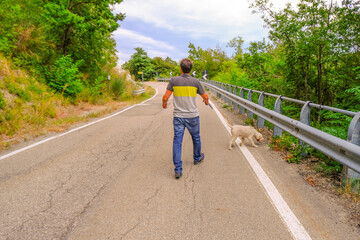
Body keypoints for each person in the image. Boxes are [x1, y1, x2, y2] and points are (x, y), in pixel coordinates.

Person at [162, 58, 209, 179]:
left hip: (178, 117)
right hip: (192, 116)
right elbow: (205, 96)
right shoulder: (196, 81)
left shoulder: (174, 80)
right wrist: (205, 101)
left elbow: (166, 97)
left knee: (177, 142)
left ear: (180, 68)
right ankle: (197, 158)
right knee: (196, 138)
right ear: (191, 69)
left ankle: (178, 169)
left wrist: (164, 103)